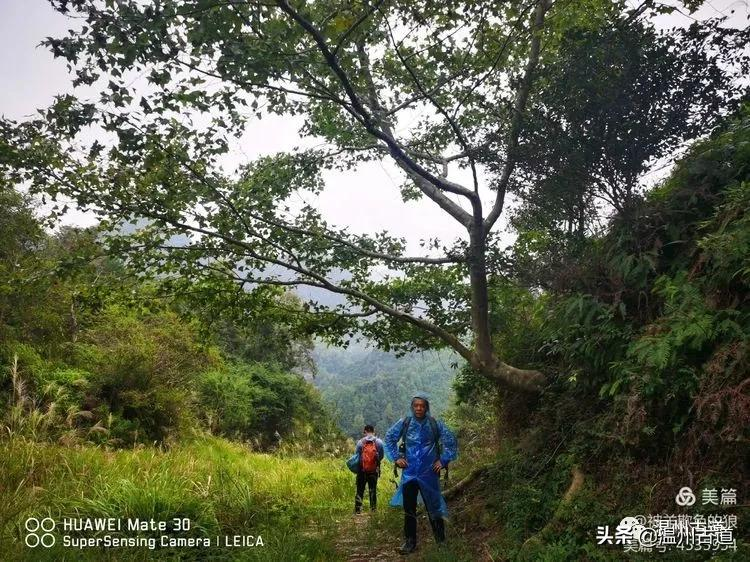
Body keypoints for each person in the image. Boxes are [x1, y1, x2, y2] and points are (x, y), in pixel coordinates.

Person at [385, 393, 458, 554]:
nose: (419, 408)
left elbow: (451, 441)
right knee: (409, 509)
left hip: (429, 473)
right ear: (412, 407)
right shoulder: (405, 423)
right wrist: (396, 458)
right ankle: (410, 543)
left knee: (434, 506)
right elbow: (389, 438)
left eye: (422, 405)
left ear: (426, 407)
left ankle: (441, 542)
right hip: (409, 474)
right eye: (416, 405)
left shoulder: (434, 424)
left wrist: (443, 460)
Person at [353, 424, 385, 513]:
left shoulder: (360, 442)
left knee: (360, 490)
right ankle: (373, 510)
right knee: (372, 490)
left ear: (365, 431)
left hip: (362, 470)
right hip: (373, 470)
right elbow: (381, 456)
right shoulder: (379, 442)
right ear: (373, 431)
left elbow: (357, 456)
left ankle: (357, 510)